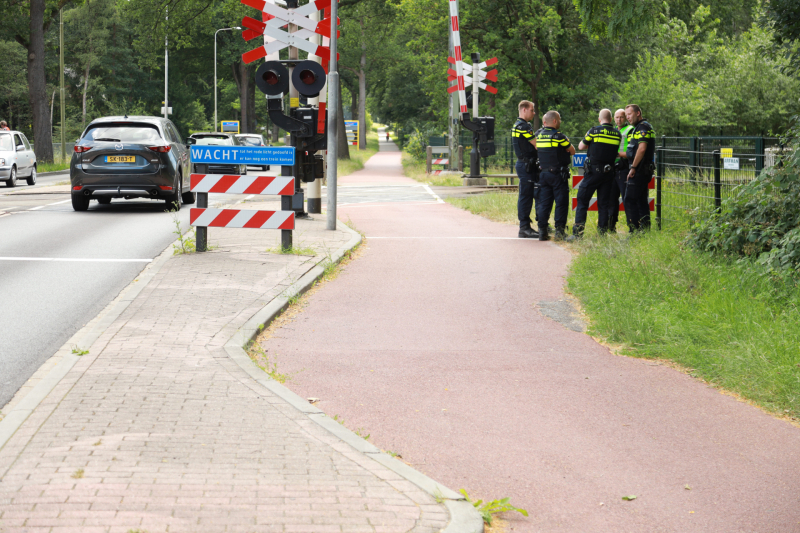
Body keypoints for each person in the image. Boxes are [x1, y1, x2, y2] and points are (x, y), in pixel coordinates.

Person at [568, 108, 621, 240]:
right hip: (608, 174)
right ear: (611, 119)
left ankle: (577, 234)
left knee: (582, 200)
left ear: (599, 119)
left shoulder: (594, 131)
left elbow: (581, 146)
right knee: (603, 204)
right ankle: (602, 234)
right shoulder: (617, 134)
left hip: (593, 173)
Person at [535, 110, 575, 241]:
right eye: (560, 120)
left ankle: (542, 231)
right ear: (555, 121)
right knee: (561, 203)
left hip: (543, 174)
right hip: (558, 175)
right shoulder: (559, 136)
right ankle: (559, 232)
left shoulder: (538, 135)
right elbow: (572, 151)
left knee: (544, 203)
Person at [622, 104, 655, 231]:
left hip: (640, 170)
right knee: (641, 200)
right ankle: (645, 230)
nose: (627, 117)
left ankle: (634, 231)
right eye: (626, 115)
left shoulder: (643, 127)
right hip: (643, 170)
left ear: (638, 113)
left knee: (629, 200)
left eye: (629, 114)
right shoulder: (640, 127)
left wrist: (633, 167)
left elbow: (642, 149)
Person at [512, 100, 540, 238]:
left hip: (525, 164)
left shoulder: (519, 125)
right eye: (532, 110)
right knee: (526, 196)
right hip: (526, 165)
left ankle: (527, 226)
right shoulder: (523, 127)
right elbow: (536, 145)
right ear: (524, 110)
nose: (534, 113)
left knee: (527, 195)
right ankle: (524, 228)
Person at [608, 109, 633, 232]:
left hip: (624, 168)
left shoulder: (630, 130)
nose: (619, 119)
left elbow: (632, 152)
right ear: (613, 118)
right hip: (612, 169)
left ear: (626, 118)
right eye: (617, 117)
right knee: (611, 199)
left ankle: (631, 227)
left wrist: (616, 154)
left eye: (622, 117)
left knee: (626, 199)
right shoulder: (612, 131)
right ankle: (611, 227)